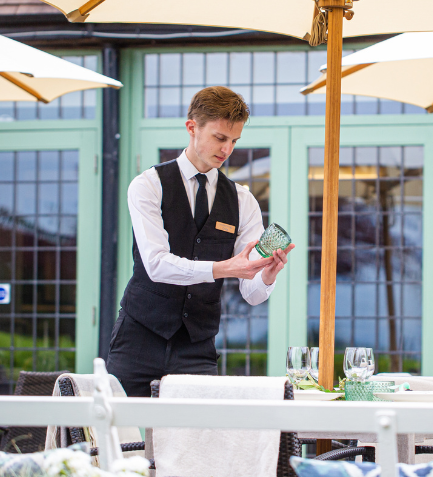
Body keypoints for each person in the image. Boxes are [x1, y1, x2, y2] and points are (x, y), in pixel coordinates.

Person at [107, 86, 295, 397]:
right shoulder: (148, 186)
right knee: (118, 437)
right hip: (138, 339)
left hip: (196, 348)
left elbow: (251, 293)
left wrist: (266, 276)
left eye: (234, 141)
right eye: (220, 138)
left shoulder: (242, 200)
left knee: (197, 442)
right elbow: (156, 265)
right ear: (192, 127)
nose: (227, 149)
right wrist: (224, 268)